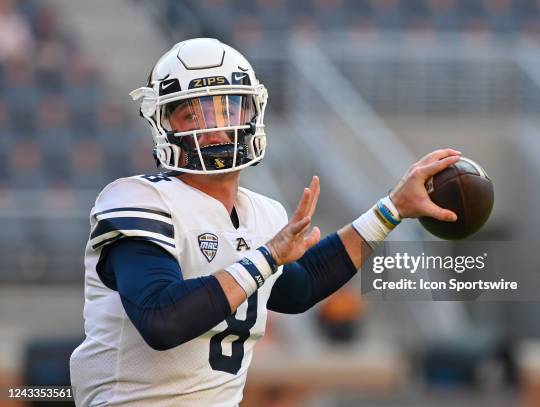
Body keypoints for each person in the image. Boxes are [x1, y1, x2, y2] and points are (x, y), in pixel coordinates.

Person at [69, 38, 460, 406]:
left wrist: (392, 209)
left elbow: (299, 287)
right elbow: (162, 320)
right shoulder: (138, 200)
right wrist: (269, 256)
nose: (214, 126)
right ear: (164, 124)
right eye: (192, 113)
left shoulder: (262, 212)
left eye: (227, 108)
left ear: (252, 111)